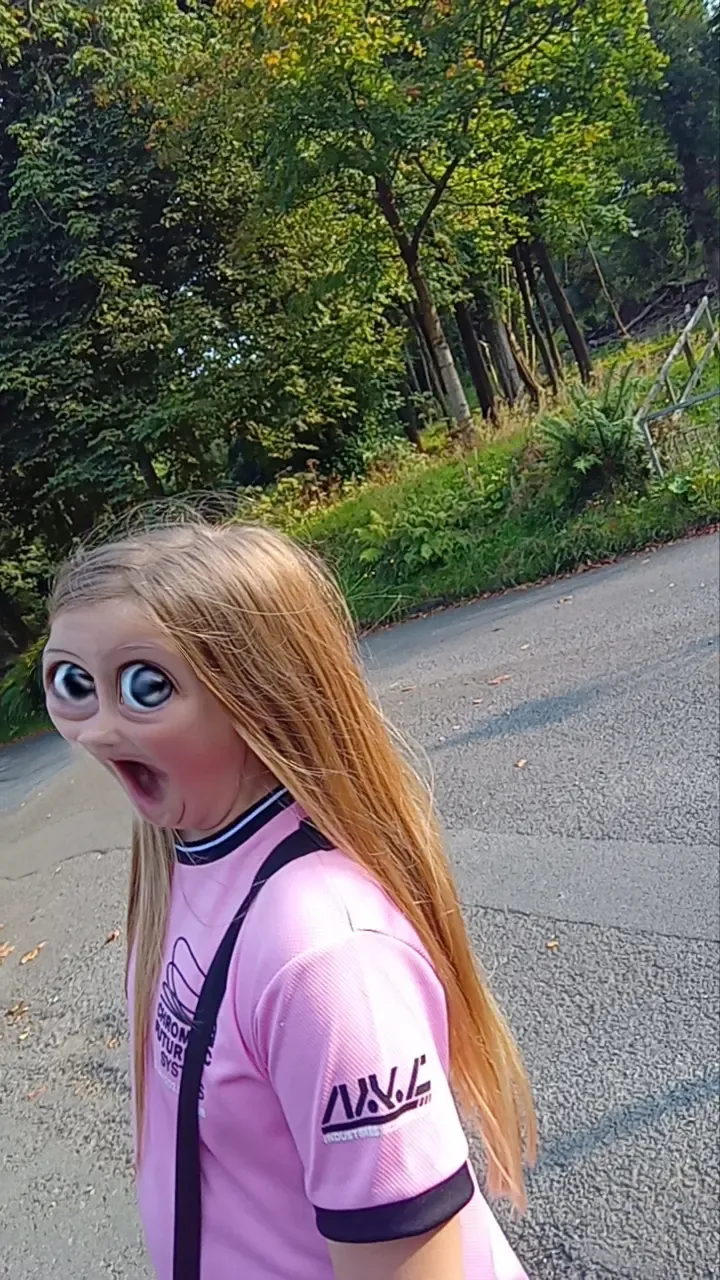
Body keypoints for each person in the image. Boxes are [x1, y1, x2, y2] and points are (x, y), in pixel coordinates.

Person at [43, 520, 536, 1280]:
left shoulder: (324, 954)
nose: (96, 731)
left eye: (145, 686)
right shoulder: (181, 862)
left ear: (259, 695)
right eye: (74, 685)